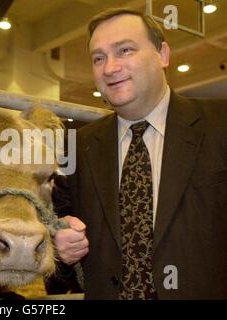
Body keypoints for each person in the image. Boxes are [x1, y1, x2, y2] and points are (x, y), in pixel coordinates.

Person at [53, 8, 227, 299]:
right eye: (99, 58)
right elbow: (56, 228)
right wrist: (60, 245)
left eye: (124, 50)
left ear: (163, 55)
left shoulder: (220, 125)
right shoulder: (77, 147)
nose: (110, 68)